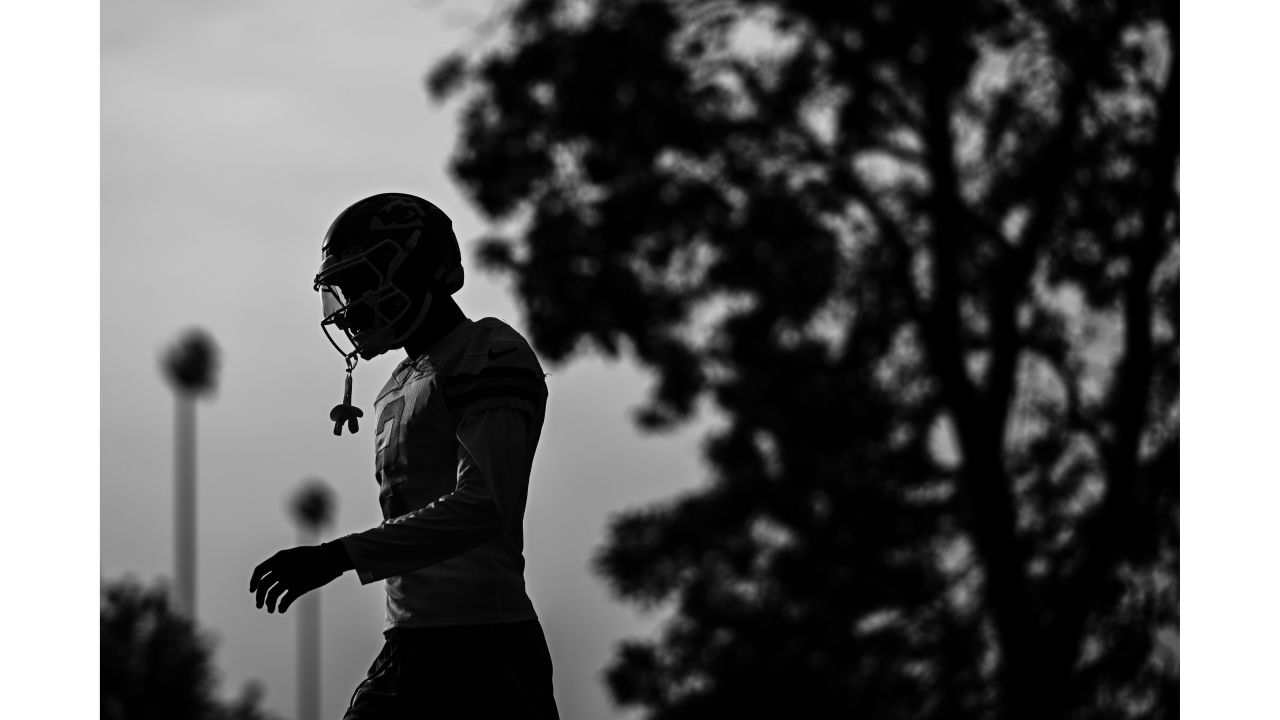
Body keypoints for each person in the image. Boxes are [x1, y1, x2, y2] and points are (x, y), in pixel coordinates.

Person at [249, 192, 560, 719]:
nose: (354, 303)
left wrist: (337, 556)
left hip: (484, 649)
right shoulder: (398, 382)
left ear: (421, 269)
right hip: (411, 642)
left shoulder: (488, 351)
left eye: (365, 281)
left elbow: (484, 505)